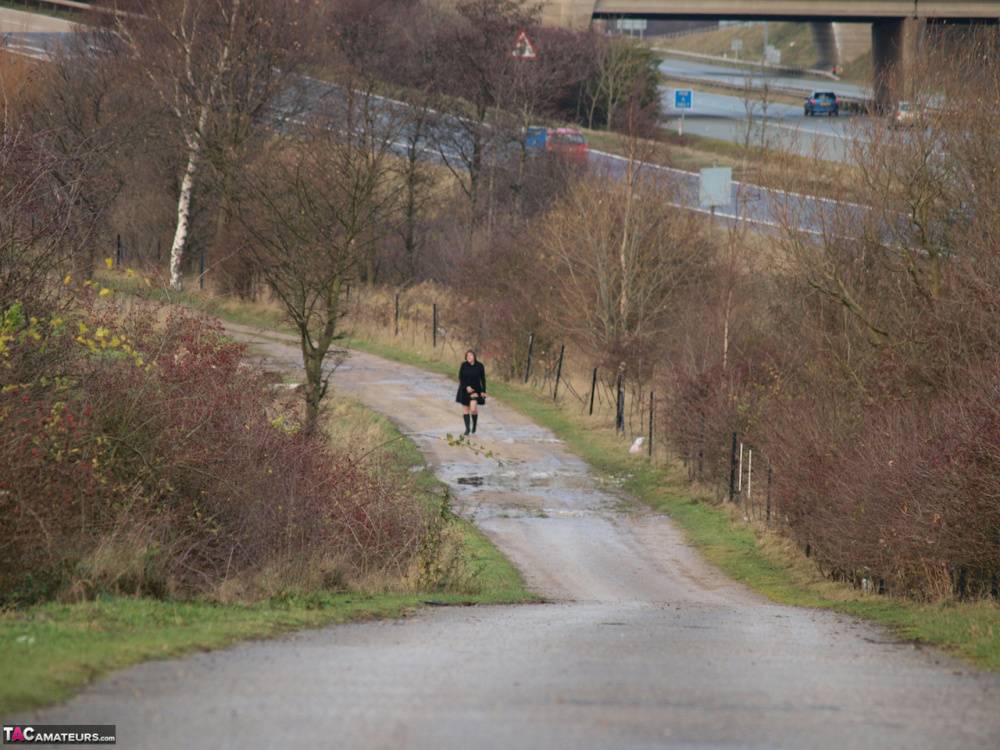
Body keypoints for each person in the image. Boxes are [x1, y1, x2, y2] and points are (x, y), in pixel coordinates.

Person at [456, 350, 486, 436]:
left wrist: (483, 391)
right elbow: (460, 377)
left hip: (476, 390)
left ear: (474, 356)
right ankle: (467, 429)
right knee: (465, 410)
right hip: (464, 390)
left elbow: (483, 379)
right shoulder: (463, 365)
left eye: (471, 355)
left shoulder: (480, 366)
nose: (469, 357)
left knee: (473, 409)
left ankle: (474, 426)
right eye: (467, 356)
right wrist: (466, 386)